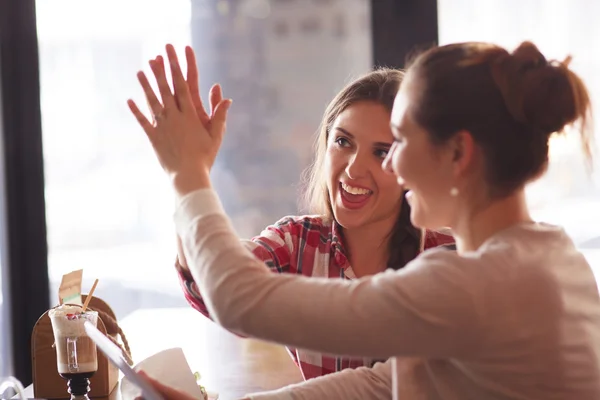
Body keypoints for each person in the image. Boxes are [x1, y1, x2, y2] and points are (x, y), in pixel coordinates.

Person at [128, 40, 600, 399]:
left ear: (457, 153)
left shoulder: (470, 283)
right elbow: (380, 383)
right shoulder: (555, 257)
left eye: (398, 141)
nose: (388, 167)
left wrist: (186, 172)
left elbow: (239, 300)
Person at [173, 58, 454, 380]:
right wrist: (190, 172)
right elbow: (211, 283)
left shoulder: (449, 256)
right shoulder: (297, 242)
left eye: (381, 152)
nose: (352, 169)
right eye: (343, 142)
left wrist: (189, 178)